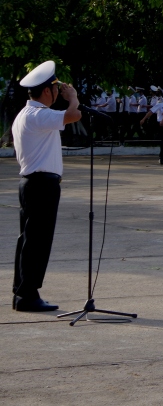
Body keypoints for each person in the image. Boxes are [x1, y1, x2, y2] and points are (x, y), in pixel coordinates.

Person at [11, 61, 80, 312]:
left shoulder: (27, 114)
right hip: (41, 185)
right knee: (37, 242)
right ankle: (28, 295)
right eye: (56, 88)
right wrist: (72, 97)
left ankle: (22, 292)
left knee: (29, 241)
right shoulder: (39, 114)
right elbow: (74, 115)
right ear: (48, 91)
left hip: (33, 183)